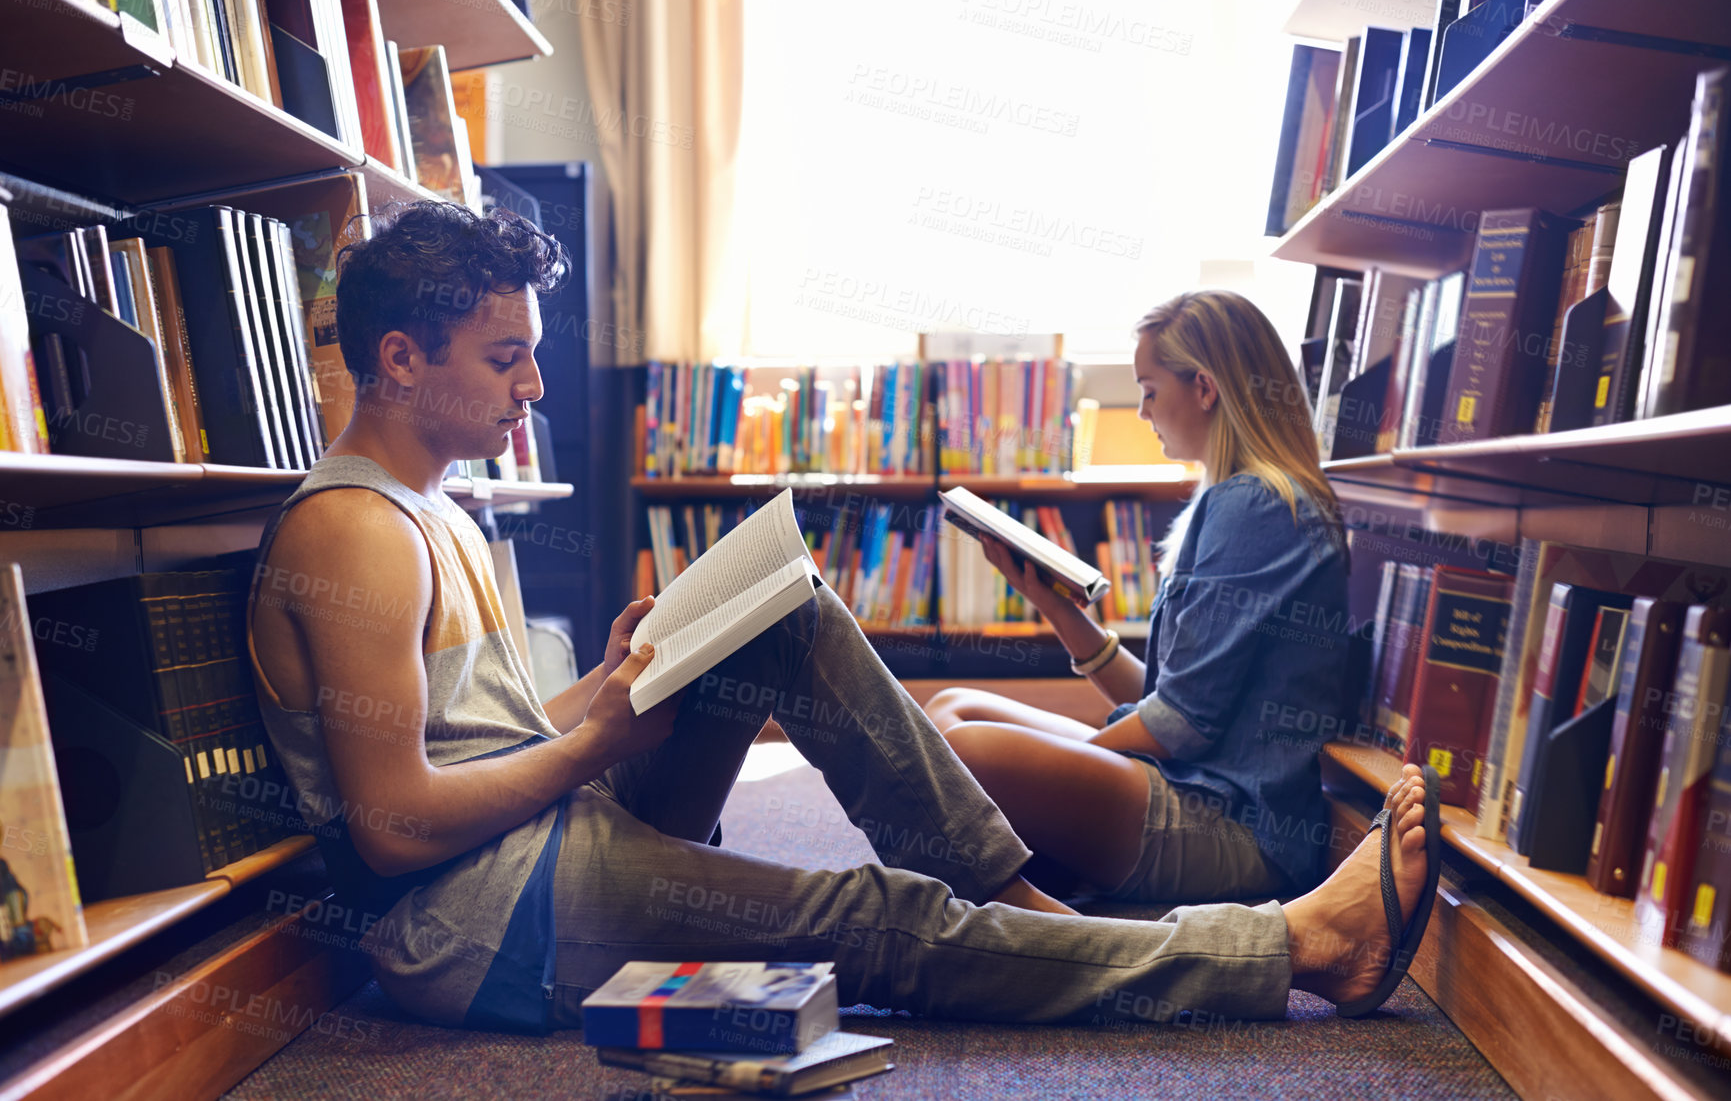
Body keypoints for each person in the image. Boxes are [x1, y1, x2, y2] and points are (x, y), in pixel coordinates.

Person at [246, 202, 1437, 1036]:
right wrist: (596, 741)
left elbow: (480, 737)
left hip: (529, 841)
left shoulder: (439, 510)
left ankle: (1011, 906)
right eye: (506, 359)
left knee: (786, 609)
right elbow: (396, 830)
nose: (535, 389)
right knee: (876, 920)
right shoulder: (352, 531)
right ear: (398, 361)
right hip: (471, 924)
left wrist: (606, 689)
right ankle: (1285, 950)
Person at [926, 291, 1349, 905]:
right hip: (1190, 781)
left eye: (1150, 390)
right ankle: (1048, 884)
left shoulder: (1258, 506)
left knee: (965, 755)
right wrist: (1055, 606)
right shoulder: (1229, 498)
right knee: (950, 708)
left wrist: (1063, 761)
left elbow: (1178, 725)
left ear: (1204, 388)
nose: (1144, 411)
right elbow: (1161, 701)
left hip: (1235, 826)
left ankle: (1040, 913)